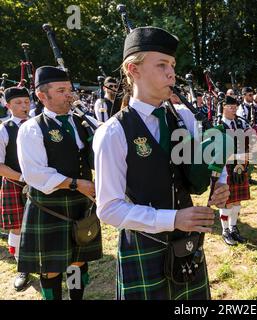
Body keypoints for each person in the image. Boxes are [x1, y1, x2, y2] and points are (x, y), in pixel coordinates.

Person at [93, 26, 230, 300]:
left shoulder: (183, 118)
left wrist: (221, 183)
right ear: (134, 70)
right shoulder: (113, 132)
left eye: (173, 65)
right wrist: (173, 218)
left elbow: (211, 158)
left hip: (186, 243)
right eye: (162, 65)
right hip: (144, 245)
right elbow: (109, 209)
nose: (172, 73)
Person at [17, 66, 102, 300]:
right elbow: (36, 174)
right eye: (61, 90)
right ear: (42, 96)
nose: (69, 95)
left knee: (77, 259)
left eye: (70, 89)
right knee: (51, 266)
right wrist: (77, 184)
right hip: (49, 205)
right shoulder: (32, 128)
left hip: (81, 203)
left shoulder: (82, 121)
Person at [0, 87, 30, 291]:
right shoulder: (4, 129)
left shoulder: (39, 124)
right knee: (17, 226)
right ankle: (23, 267)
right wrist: (22, 178)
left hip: (41, 183)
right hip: (15, 181)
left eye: (26, 102)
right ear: (8, 105)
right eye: (18, 103)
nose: (24, 106)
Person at [217, 95, 251, 246]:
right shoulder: (218, 126)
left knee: (237, 201)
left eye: (235, 108)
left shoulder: (239, 123)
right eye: (231, 108)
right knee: (227, 201)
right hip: (226, 168)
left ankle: (233, 228)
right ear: (223, 107)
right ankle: (225, 231)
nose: (234, 110)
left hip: (239, 166)